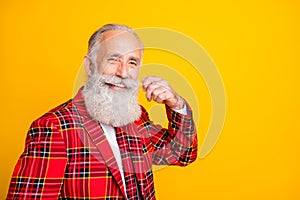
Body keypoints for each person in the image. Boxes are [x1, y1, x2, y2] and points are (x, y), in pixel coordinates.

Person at [7, 24, 198, 200]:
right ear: (90, 66)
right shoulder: (54, 127)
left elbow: (183, 154)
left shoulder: (136, 118)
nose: (123, 73)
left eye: (132, 62)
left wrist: (176, 104)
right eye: (113, 59)